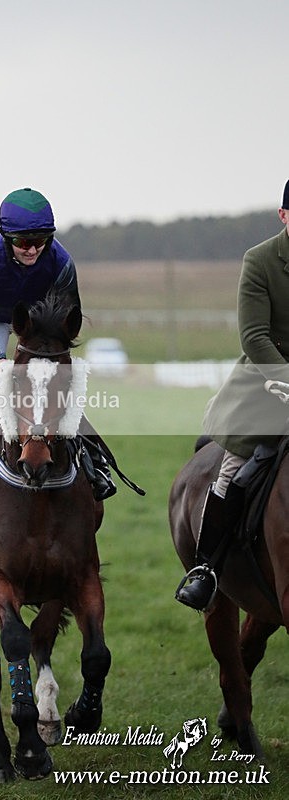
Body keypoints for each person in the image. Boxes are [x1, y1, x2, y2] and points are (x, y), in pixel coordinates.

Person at [0, 186, 116, 512]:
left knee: (58, 391)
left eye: (40, 241)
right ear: (6, 238)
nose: (32, 249)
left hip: (36, 325)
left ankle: (96, 463)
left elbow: (66, 325)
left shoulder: (60, 263)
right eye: (22, 242)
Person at [175, 180, 289, 610]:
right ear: (283, 216)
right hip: (266, 381)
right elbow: (255, 335)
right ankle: (205, 569)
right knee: (233, 470)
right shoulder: (260, 261)